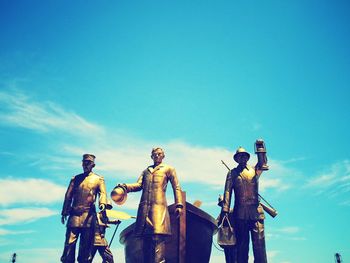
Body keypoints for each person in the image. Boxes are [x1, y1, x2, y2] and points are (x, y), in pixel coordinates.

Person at [112, 147, 183, 263]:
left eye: (159, 154)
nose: (157, 156)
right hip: (144, 210)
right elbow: (138, 185)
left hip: (158, 210)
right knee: (144, 242)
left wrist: (179, 204)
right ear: (151, 156)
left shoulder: (168, 169)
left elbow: (177, 187)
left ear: (163, 156)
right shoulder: (146, 171)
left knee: (158, 240)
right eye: (154, 154)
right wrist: (125, 187)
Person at [220, 145, 268, 263]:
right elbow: (227, 191)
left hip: (256, 212)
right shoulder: (232, 173)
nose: (242, 158)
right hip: (240, 214)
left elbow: (263, 164)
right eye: (239, 156)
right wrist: (225, 210)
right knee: (242, 246)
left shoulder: (254, 170)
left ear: (247, 158)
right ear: (236, 159)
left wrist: (260, 150)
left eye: (244, 156)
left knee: (259, 244)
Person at [61, 154, 107, 263]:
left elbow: (103, 194)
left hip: (89, 217)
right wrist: (64, 211)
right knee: (69, 244)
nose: (85, 165)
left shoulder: (98, 179)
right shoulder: (75, 179)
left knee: (85, 247)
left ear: (93, 165)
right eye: (84, 162)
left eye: (88, 163)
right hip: (74, 215)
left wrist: (103, 204)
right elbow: (68, 195)